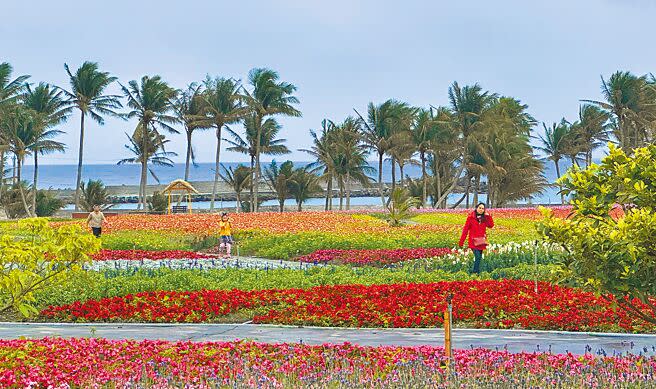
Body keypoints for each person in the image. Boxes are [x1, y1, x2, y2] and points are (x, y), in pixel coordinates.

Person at [458, 203, 494, 274]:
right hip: (473, 242)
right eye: (479, 208)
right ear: (476, 208)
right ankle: (475, 273)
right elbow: (465, 230)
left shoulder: (484, 218)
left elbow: (491, 225)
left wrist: (489, 216)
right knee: (477, 257)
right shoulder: (470, 218)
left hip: (481, 241)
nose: (481, 210)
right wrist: (461, 242)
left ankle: (477, 273)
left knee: (479, 258)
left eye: (483, 208)